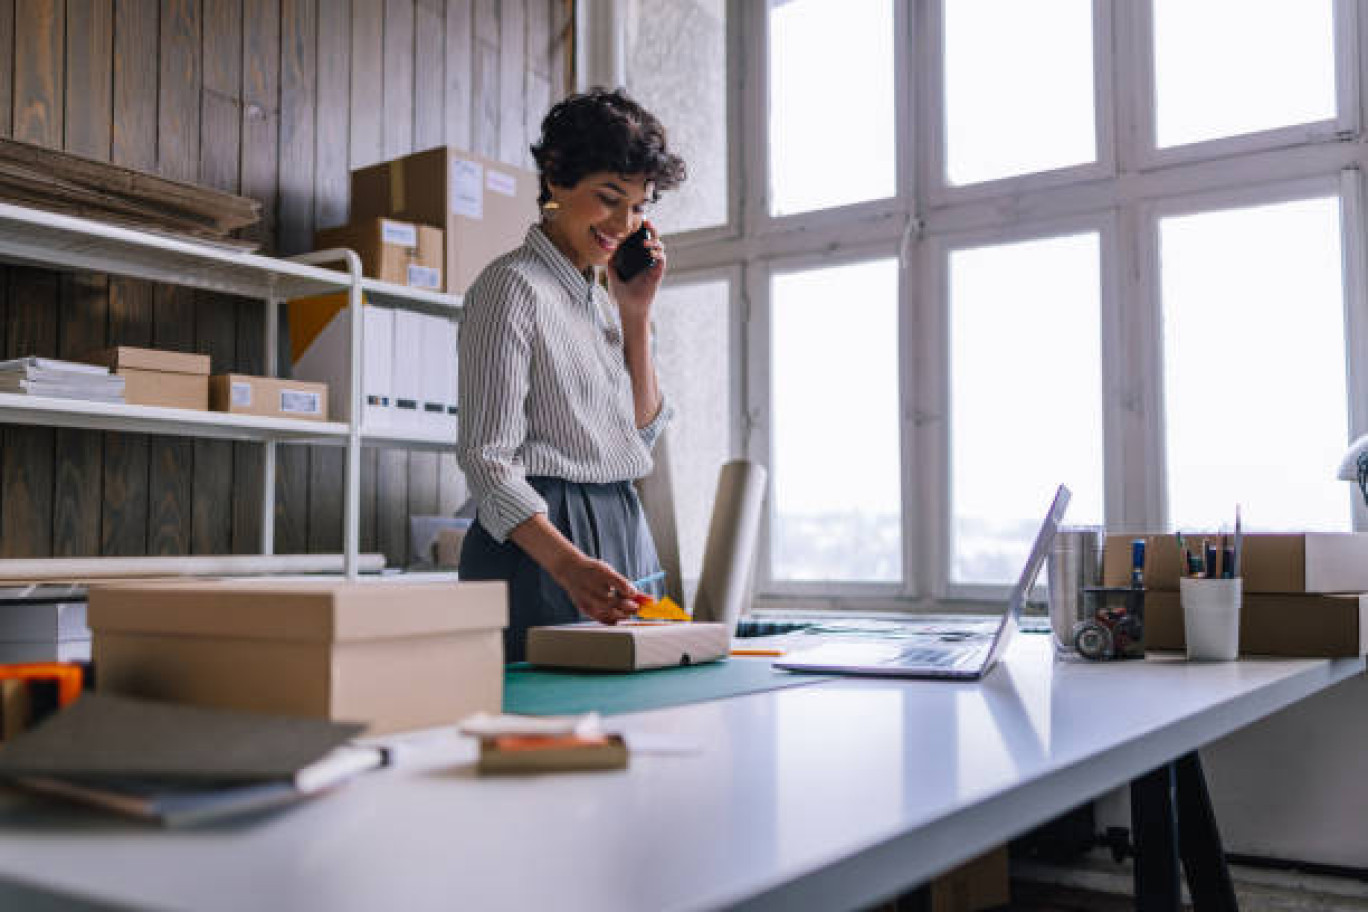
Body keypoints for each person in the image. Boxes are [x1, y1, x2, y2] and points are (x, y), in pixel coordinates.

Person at [457, 88, 687, 662]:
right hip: (540, 545)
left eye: (638, 205)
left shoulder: (607, 302)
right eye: (608, 198)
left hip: (623, 527)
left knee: (632, 721)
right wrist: (567, 564)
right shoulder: (509, 288)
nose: (623, 223)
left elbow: (637, 439)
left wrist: (636, 313)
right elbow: (488, 463)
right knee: (539, 724)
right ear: (556, 180)